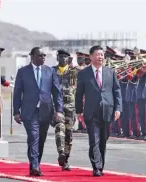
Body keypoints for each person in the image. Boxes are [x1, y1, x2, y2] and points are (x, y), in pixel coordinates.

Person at [13, 47, 63, 176]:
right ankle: (35, 166)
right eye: (41, 56)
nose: (43, 58)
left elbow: (57, 92)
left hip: (46, 111)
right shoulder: (23, 72)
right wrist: (16, 112)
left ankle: (35, 165)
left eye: (44, 56)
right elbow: (17, 92)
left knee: (41, 139)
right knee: (33, 137)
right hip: (29, 111)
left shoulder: (50, 71)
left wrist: (59, 110)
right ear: (33, 56)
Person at [75, 45, 122, 177]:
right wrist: (79, 111)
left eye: (102, 54)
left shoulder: (109, 72)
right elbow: (79, 93)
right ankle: (96, 167)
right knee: (93, 140)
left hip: (107, 111)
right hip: (91, 112)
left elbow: (117, 91)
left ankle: (101, 165)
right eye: (97, 54)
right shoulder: (84, 74)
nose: (100, 57)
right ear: (91, 57)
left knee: (103, 140)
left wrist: (118, 108)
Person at [52, 49, 76, 170]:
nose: (63, 59)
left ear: (68, 59)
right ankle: (61, 152)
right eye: (60, 57)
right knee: (59, 129)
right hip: (58, 108)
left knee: (69, 134)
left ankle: (66, 159)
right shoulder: (52, 71)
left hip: (71, 108)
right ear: (57, 58)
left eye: (65, 57)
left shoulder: (74, 72)